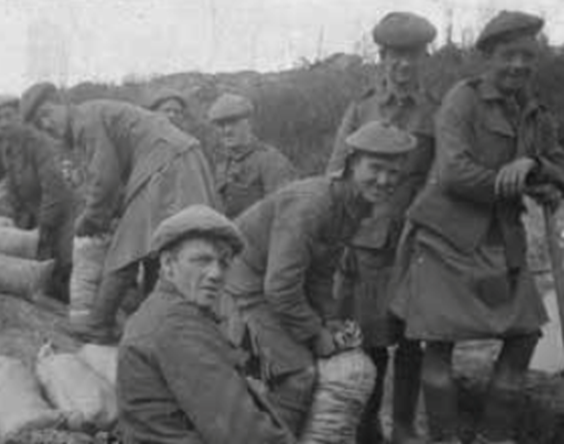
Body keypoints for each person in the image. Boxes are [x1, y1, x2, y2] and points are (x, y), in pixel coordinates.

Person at [390, 11, 564, 444]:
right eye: (509, 55)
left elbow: (558, 164)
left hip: (502, 240)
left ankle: (494, 437)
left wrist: (536, 163)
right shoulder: (461, 99)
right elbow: (453, 173)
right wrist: (523, 182)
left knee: (524, 337)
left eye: (528, 56)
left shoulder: (534, 111)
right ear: (488, 56)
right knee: (439, 343)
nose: (519, 65)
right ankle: (446, 438)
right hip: (444, 236)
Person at [224, 120, 418, 434]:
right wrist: (315, 334)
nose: (384, 180)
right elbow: (281, 285)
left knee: (322, 361)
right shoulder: (313, 205)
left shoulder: (353, 205)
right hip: (240, 286)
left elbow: (320, 274)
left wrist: (329, 320)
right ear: (353, 163)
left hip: (269, 285)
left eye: (394, 172)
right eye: (376, 168)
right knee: (298, 375)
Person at [23, 82, 219, 344]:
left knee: (127, 250)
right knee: (161, 249)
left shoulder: (85, 120)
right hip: (179, 160)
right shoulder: (94, 118)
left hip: (168, 164)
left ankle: (98, 325)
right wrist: (108, 212)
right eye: (39, 122)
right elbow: (114, 180)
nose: (47, 124)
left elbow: (105, 180)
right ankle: (156, 326)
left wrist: (91, 220)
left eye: (47, 114)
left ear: (63, 103)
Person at [325, 11, 438, 444]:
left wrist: (419, 219)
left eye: (413, 55)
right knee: (371, 340)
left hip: (417, 242)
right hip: (366, 246)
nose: (404, 65)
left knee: (413, 340)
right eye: (396, 56)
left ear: (423, 57)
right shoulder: (362, 108)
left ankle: (405, 426)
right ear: (382, 57)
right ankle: (368, 425)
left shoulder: (435, 110)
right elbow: (336, 172)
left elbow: (440, 176)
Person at [118, 204, 295, 444]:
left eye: (223, 263)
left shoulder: (169, 311)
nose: (216, 273)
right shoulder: (176, 324)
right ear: (169, 265)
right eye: (202, 260)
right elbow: (241, 434)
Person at [0, 94, 73, 302]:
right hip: (34, 214)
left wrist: (44, 228)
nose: (4, 123)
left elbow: (55, 191)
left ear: (20, 116)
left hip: (62, 215)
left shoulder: (38, 143)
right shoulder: (5, 146)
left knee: (67, 266)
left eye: (8, 116)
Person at [208, 93, 298, 218]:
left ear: (249, 123)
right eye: (221, 125)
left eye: (233, 123)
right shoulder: (221, 163)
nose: (227, 130)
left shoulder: (272, 161)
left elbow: (286, 213)